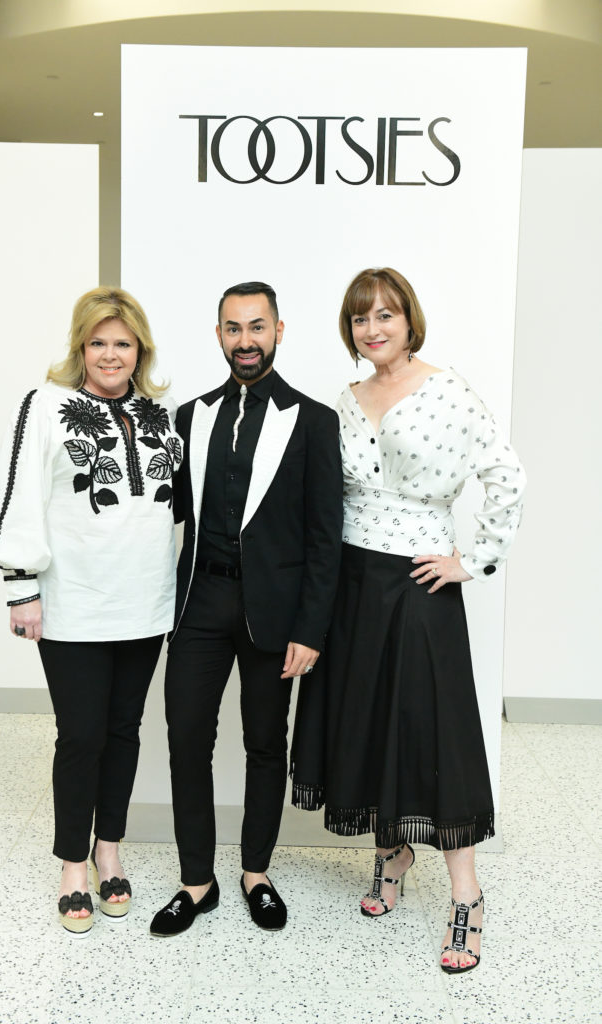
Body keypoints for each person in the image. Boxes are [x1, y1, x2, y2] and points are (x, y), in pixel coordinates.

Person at [291, 267, 525, 972]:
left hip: (416, 584)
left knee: (431, 730)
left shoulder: (446, 391)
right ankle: (389, 860)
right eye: (361, 318)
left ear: (407, 320)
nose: (373, 328)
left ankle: (465, 896)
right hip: (350, 583)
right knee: (360, 721)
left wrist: (470, 558)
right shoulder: (345, 398)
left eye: (385, 314)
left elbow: (505, 475)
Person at [0, 286, 181, 935]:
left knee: (124, 732)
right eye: (98, 342)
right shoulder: (46, 405)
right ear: (80, 347)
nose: (110, 354)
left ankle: (108, 850)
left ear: (138, 347)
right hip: (74, 604)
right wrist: (20, 587)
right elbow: (21, 493)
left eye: (122, 342)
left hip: (146, 603)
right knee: (81, 735)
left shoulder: (158, 411)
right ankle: (71, 864)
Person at [149, 281, 343, 936]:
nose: (245, 340)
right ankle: (195, 880)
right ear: (218, 336)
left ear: (279, 331)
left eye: (256, 327)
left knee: (265, 745)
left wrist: (310, 627)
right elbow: (164, 512)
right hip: (200, 601)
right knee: (184, 742)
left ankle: (256, 873)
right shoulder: (189, 417)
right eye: (233, 328)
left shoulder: (313, 421)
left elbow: (324, 535)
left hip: (275, 613)